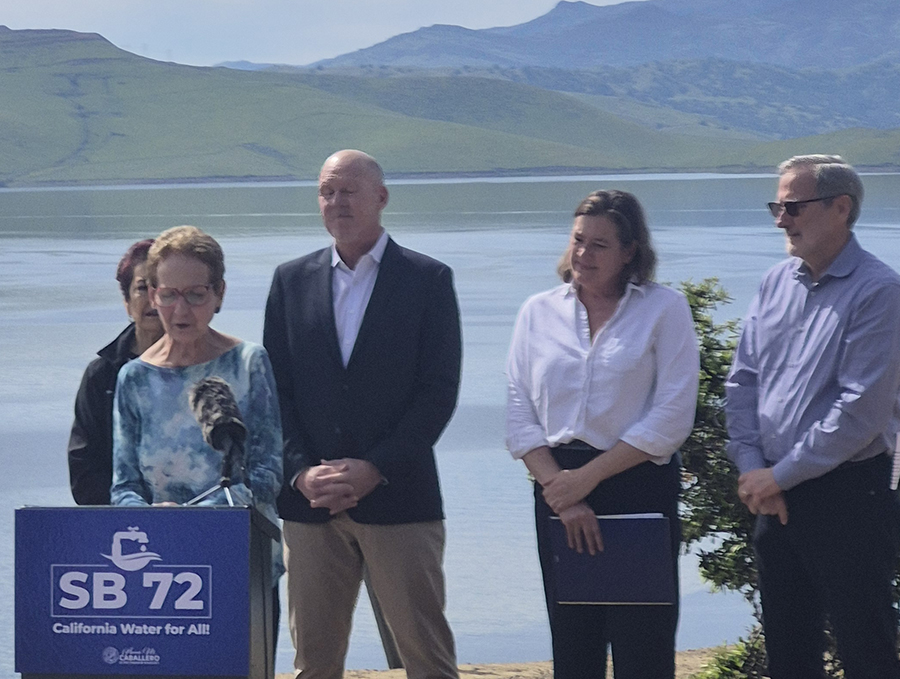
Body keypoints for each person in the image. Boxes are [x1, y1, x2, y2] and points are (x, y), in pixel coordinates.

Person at [263, 149, 462, 679]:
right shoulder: (290, 281)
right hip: (310, 506)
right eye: (327, 190)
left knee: (427, 660)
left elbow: (438, 393)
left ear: (381, 197)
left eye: (349, 190)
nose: (337, 201)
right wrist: (302, 471)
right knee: (314, 665)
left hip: (400, 500)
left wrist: (375, 467)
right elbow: (274, 393)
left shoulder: (428, 280)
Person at [506, 189, 699, 679]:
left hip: (636, 485)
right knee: (574, 648)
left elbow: (672, 417)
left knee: (644, 652)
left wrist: (586, 479)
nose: (583, 255)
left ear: (630, 252)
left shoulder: (664, 310)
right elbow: (519, 413)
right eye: (578, 241)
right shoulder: (537, 311)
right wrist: (563, 494)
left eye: (599, 245)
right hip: (557, 491)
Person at [726, 155, 900, 679]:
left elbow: (860, 411)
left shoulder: (879, 292)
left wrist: (776, 476)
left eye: (793, 206)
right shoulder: (773, 283)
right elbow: (742, 382)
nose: (781, 219)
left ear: (841, 208)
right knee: (789, 650)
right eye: (777, 206)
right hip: (773, 494)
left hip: (849, 496)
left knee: (864, 645)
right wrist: (755, 469)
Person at [109, 225, 283, 658]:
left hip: (241, 567)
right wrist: (154, 521)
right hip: (160, 575)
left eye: (196, 294)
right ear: (152, 296)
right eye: (168, 294)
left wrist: (194, 518)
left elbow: (267, 473)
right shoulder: (133, 379)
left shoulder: (247, 363)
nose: (179, 308)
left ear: (219, 293)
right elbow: (124, 486)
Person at [68, 239, 164, 505]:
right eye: (142, 288)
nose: (153, 299)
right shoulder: (101, 376)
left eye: (162, 288)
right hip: (118, 519)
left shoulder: (207, 364)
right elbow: (83, 467)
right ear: (126, 302)